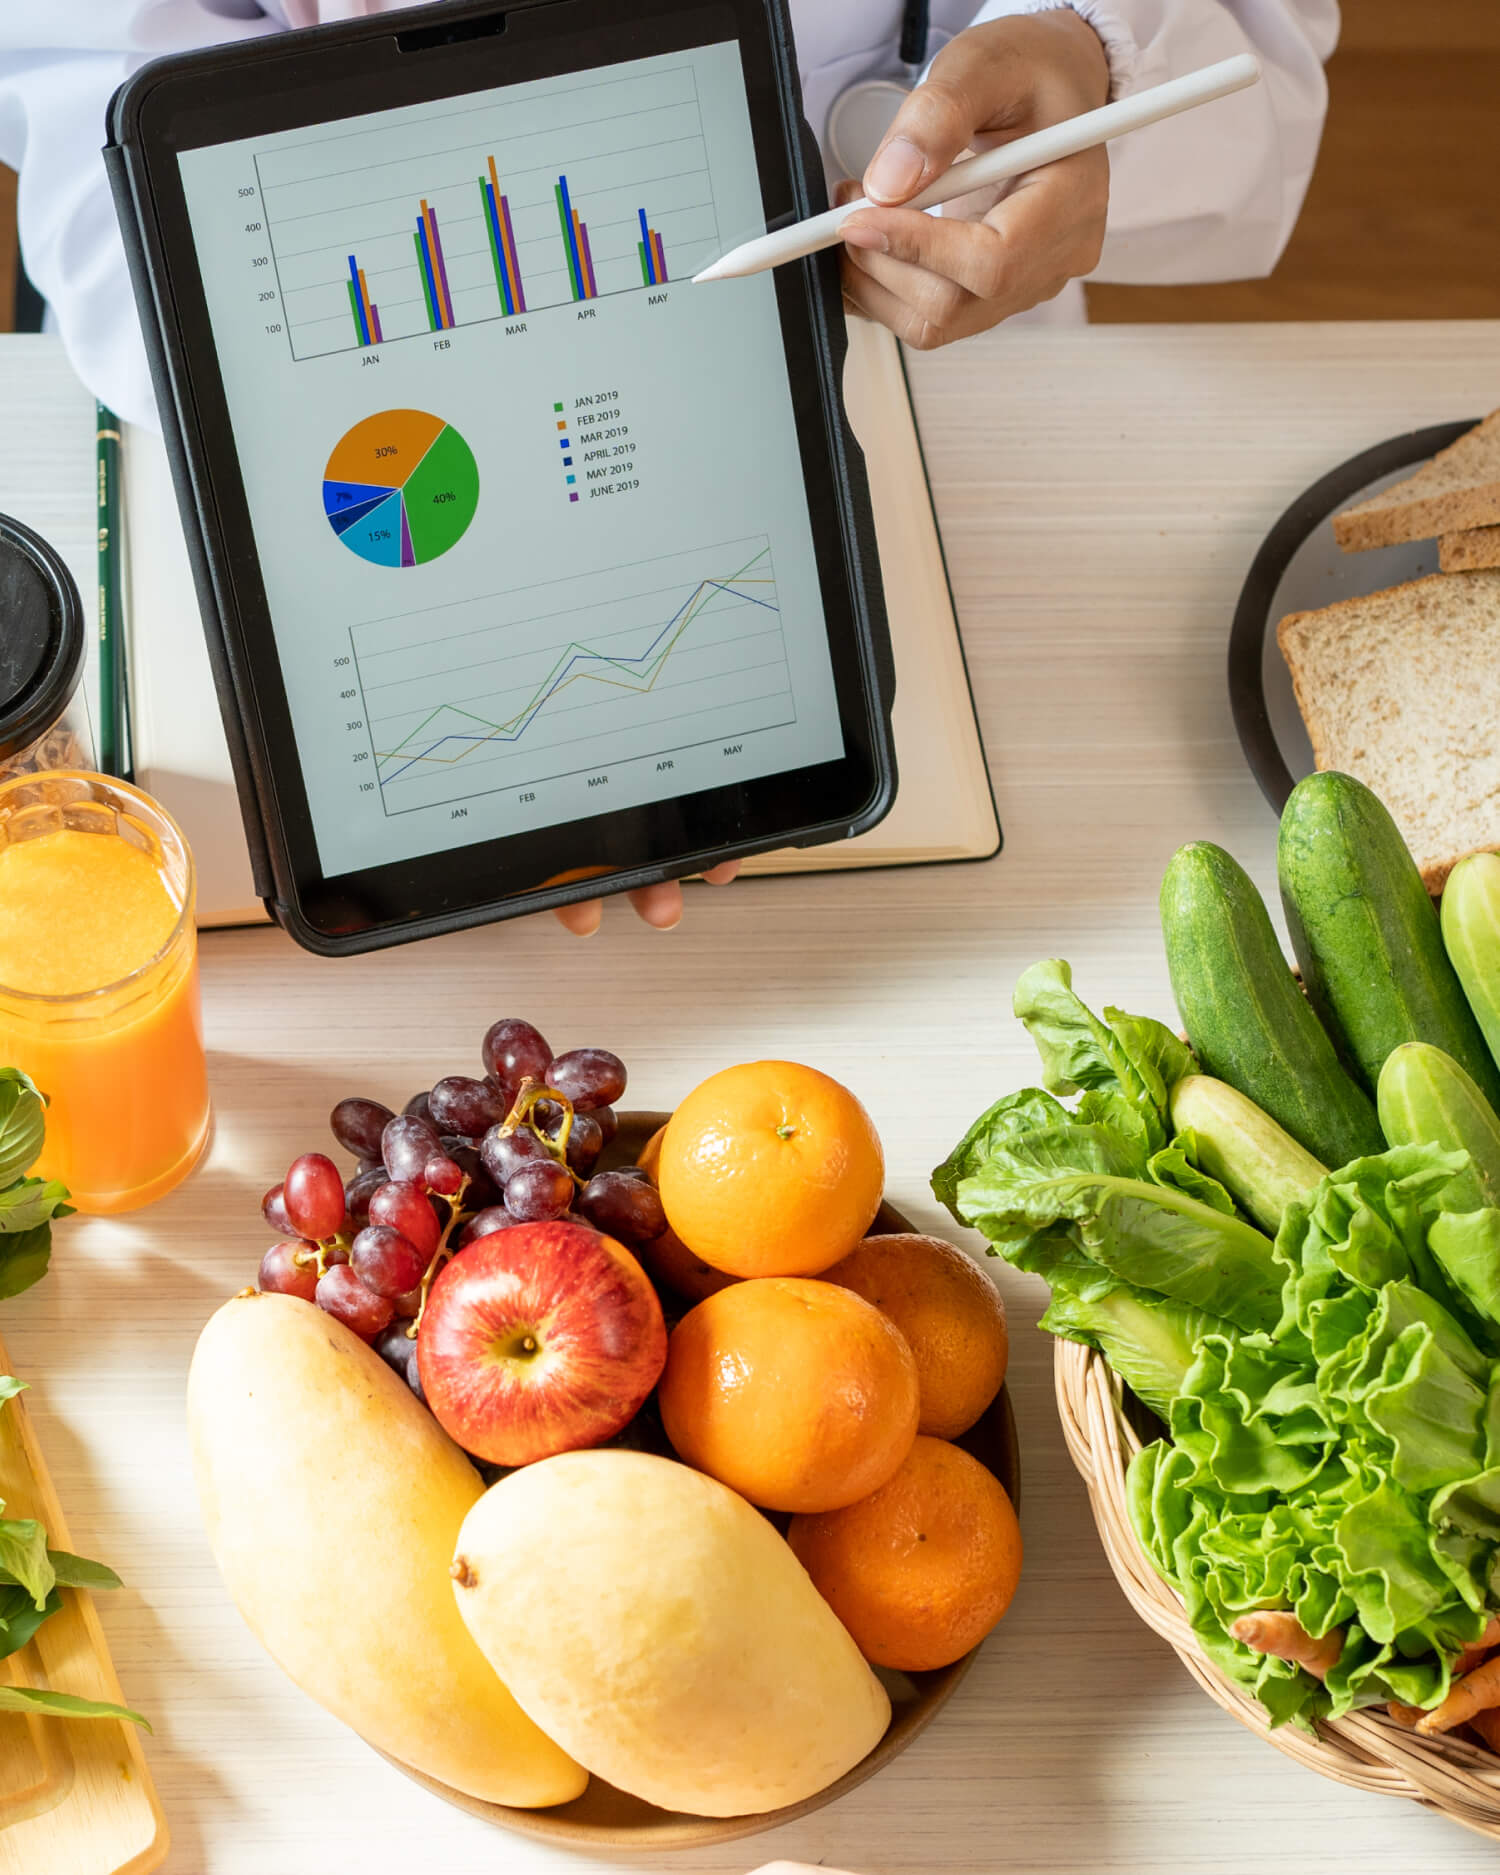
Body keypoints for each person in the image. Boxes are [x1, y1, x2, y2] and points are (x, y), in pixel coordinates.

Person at [0, 0, 1337, 933]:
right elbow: (79, 78)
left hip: (970, 388)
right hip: (341, 360)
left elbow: (1254, 44)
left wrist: (1093, 56)